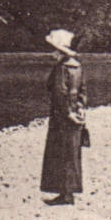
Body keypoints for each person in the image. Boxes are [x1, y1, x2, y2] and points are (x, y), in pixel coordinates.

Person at [41, 28, 86, 206]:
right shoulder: (77, 66)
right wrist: (80, 109)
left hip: (62, 115)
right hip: (75, 112)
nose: (52, 54)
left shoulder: (61, 68)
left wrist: (67, 113)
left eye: (54, 50)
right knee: (72, 153)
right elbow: (82, 90)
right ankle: (69, 192)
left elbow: (60, 93)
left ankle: (64, 195)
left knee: (60, 153)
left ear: (60, 52)